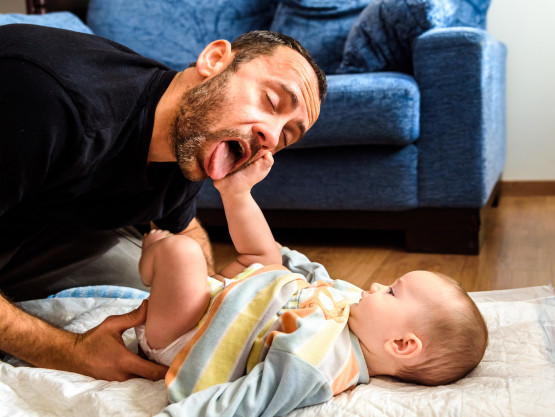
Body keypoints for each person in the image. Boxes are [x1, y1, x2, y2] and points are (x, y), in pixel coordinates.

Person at [0, 23, 327, 382]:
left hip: (36, 223)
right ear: (214, 59)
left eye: (285, 138)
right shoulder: (49, 101)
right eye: (271, 101)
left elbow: (185, 228)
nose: (271, 137)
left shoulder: (188, 140)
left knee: (154, 282)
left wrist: (206, 314)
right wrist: (69, 350)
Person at [136, 153, 488, 416]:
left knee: (183, 252)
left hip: (188, 333)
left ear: (400, 344)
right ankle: (236, 192)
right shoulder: (356, 310)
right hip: (231, 296)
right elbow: (317, 278)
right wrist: (284, 259)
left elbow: (250, 399)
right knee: (268, 254)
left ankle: (152, 260)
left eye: (393, 291)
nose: (379, 284)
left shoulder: (320, 362)